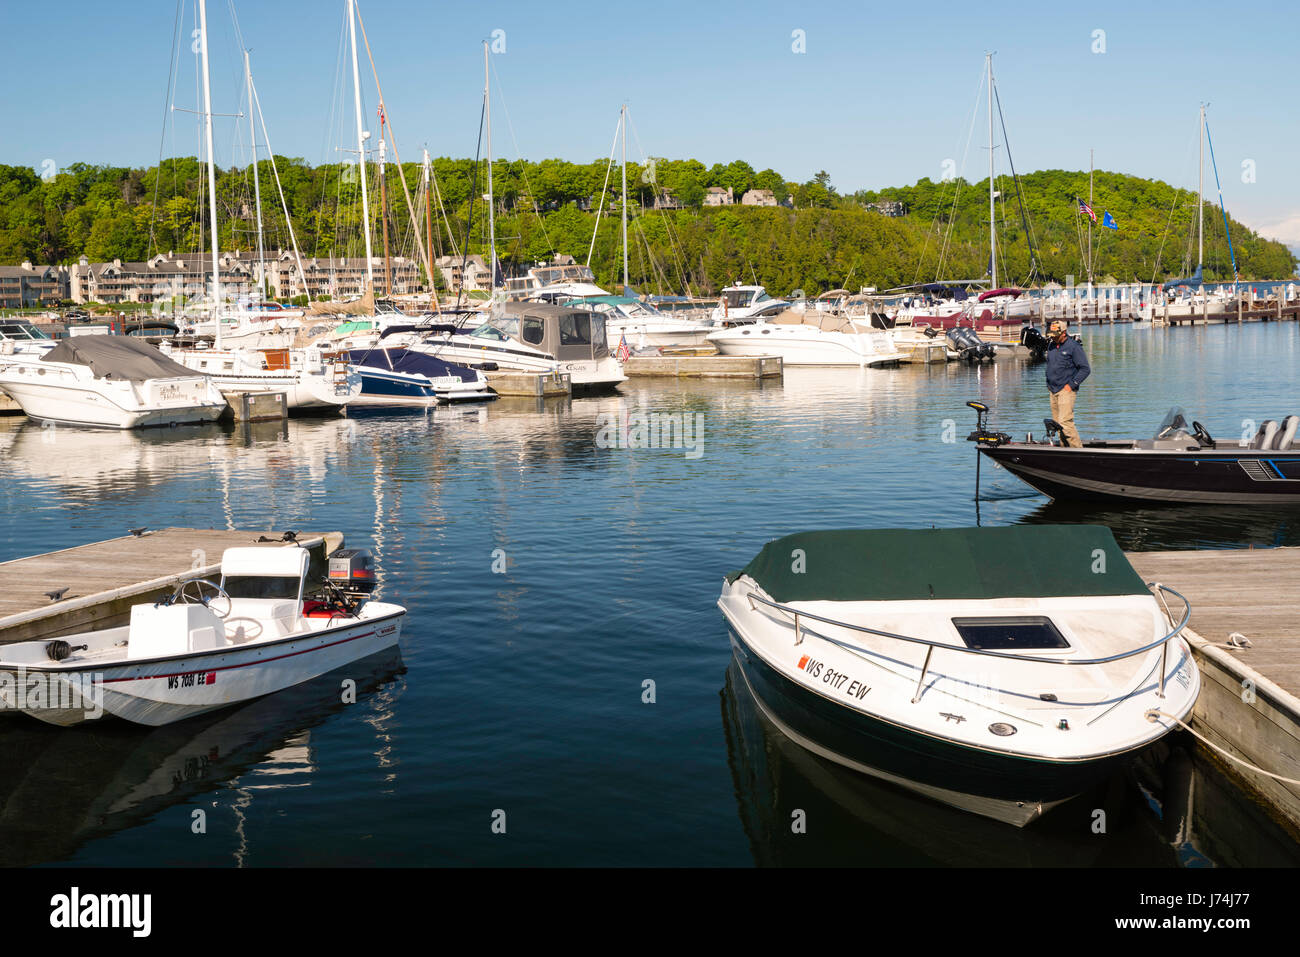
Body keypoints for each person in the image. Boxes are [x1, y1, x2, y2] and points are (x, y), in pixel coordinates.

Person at [1045, 319, 1090, 447]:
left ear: (1063, 333)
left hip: (1066, 390)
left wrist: (1071, 385)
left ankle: (1078, 451)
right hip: (1053, 389)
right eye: (1051, 335)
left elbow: (1085, 369)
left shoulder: (1074, 347)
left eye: (1055, 336)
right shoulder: (1052, 345)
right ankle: (1065, 450)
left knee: (1065, 422)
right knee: (1057, 424)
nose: (1053, 338)